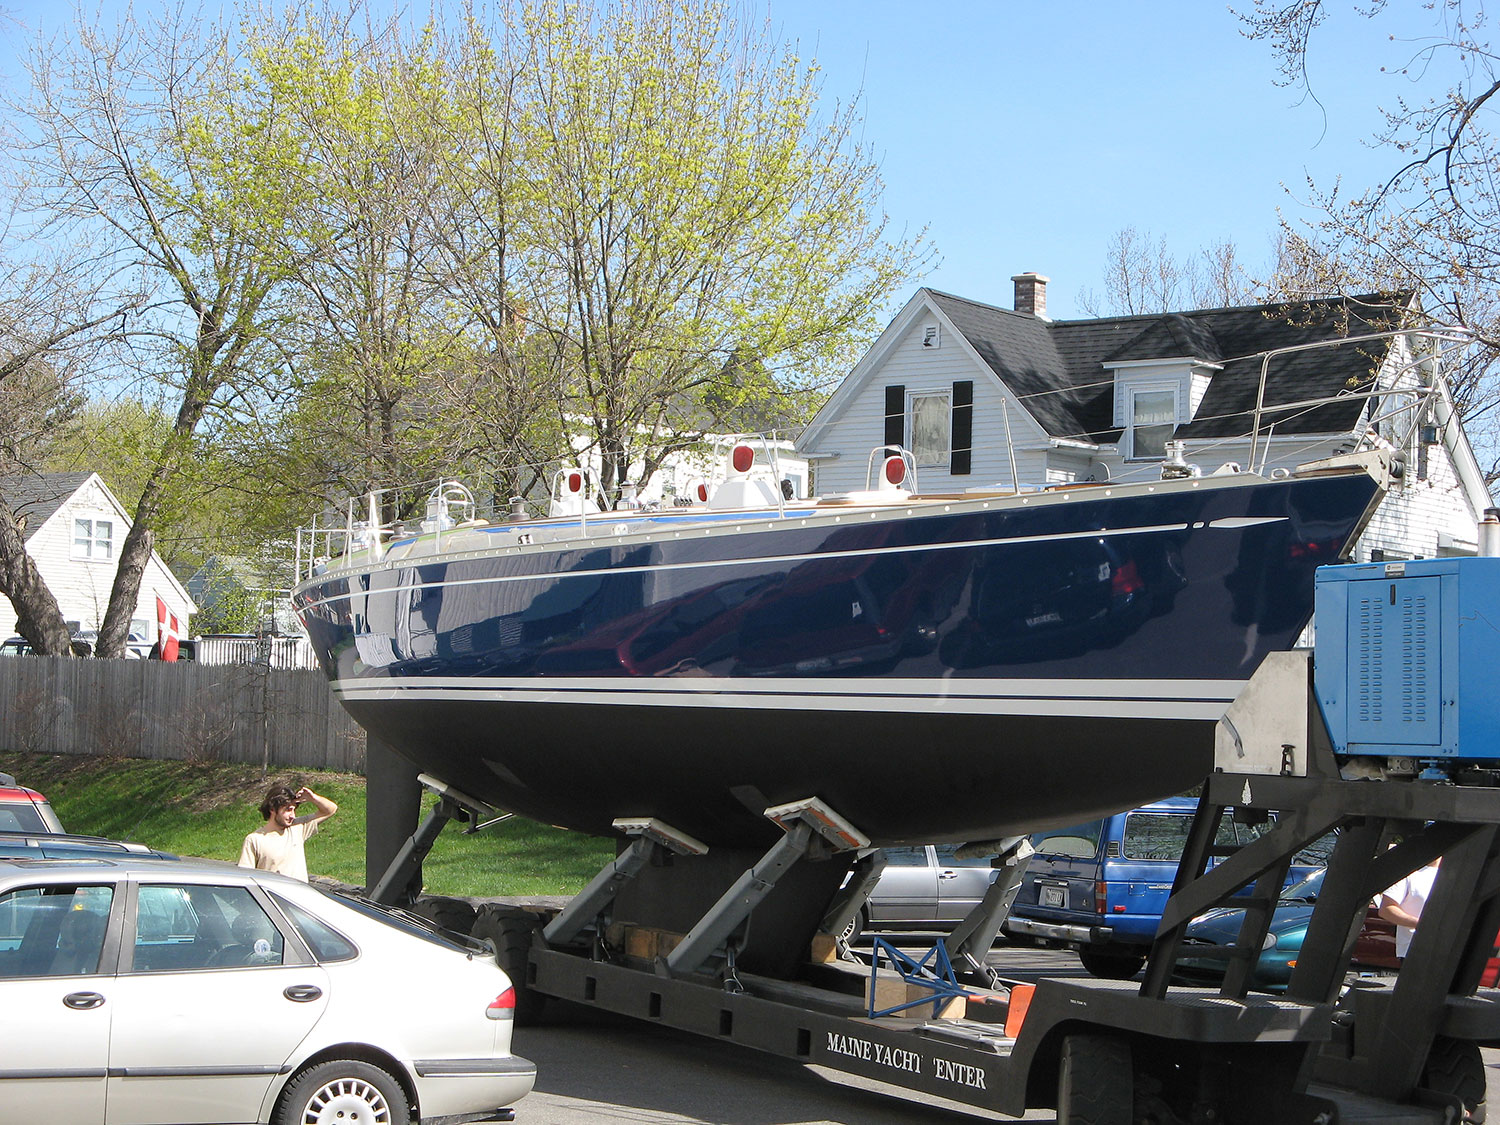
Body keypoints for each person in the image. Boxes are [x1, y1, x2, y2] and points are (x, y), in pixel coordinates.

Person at [238, 784, 337, 882]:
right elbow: (245, 878)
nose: (292, 816)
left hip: (299, 896)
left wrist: (313, 798)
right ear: (272, 809)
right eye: (288, 810)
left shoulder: (298, 827)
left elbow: (330, 810)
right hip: (271, 897)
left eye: (294, 809)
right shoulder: (255, 839)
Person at [1377, 855, 1441, 960]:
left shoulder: (1458, 874)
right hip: (1414, 951)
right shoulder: (1409, 873)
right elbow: (1386, 909)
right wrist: (1420, 924)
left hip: (1449, 951)